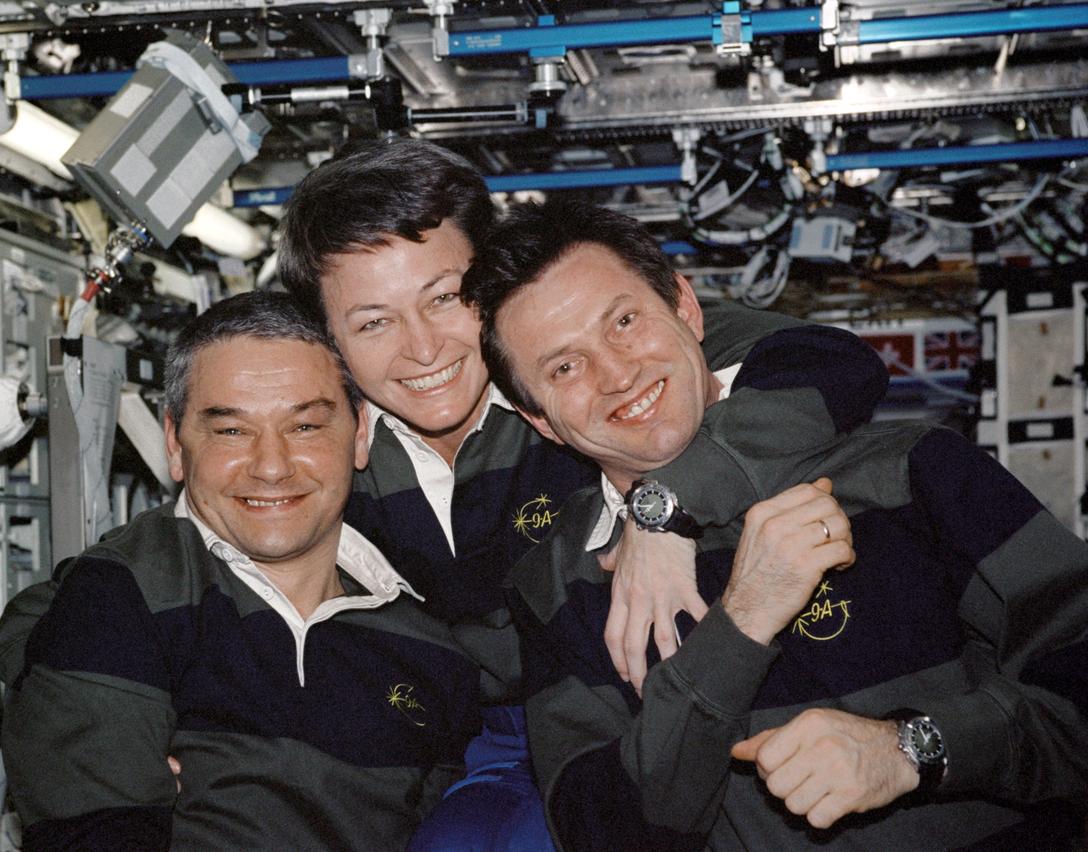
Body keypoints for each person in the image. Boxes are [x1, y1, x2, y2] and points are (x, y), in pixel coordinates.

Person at [277, 139, 890, 849]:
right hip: (473, 742)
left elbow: (830, 364)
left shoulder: (584, 362)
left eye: (444, 298)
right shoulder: (317, 443)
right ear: (328, 339)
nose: (423, 350)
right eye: (374, 322)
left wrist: (664, 509)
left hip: (631, 706)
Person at [463, 197, 1088, 849]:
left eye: (624, 321)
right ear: (538, 417)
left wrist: (915, 749)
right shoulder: (554, 586)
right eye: (565, 366)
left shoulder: (914, 471)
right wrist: (739, 627)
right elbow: (605, 834)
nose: (617, 374)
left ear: (686, 307)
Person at [0, 291, 480, 850]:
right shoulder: (121, 598)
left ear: (360, 434)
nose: (271, 466)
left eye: (305, 427)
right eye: (231, 430)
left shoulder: (430, 645)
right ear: (176, 443)